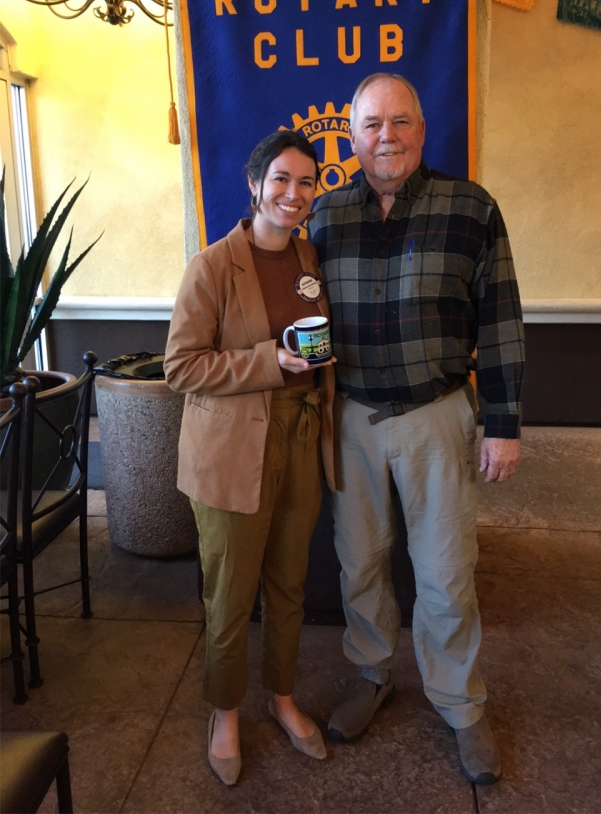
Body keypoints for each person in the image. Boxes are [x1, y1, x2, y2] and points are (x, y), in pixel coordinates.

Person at [309, 73, 525, 785]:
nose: (387, 137)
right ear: (352, 136)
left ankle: (462, 704)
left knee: (445, 572)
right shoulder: (325, 217)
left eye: (400, 122)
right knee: (359, 559)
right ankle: (372, 674)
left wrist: (503, 423)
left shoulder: (472, 209)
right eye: (372, 125)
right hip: (353, 417)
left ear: (422, 131)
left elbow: (499, 322)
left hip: (438, 415)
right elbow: (289, 310)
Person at [164, 131, 336, 786]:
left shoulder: (308, 256)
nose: (294, 195)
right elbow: (181, 367)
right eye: (282, 181)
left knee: (289, 582)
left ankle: (282, 694)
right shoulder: (212, 265)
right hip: (230, 452)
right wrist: (272, 363)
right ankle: (225, 711)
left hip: (297, 439)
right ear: (255, 186)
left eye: (307, 182)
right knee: (230, 593)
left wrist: (315, 369)